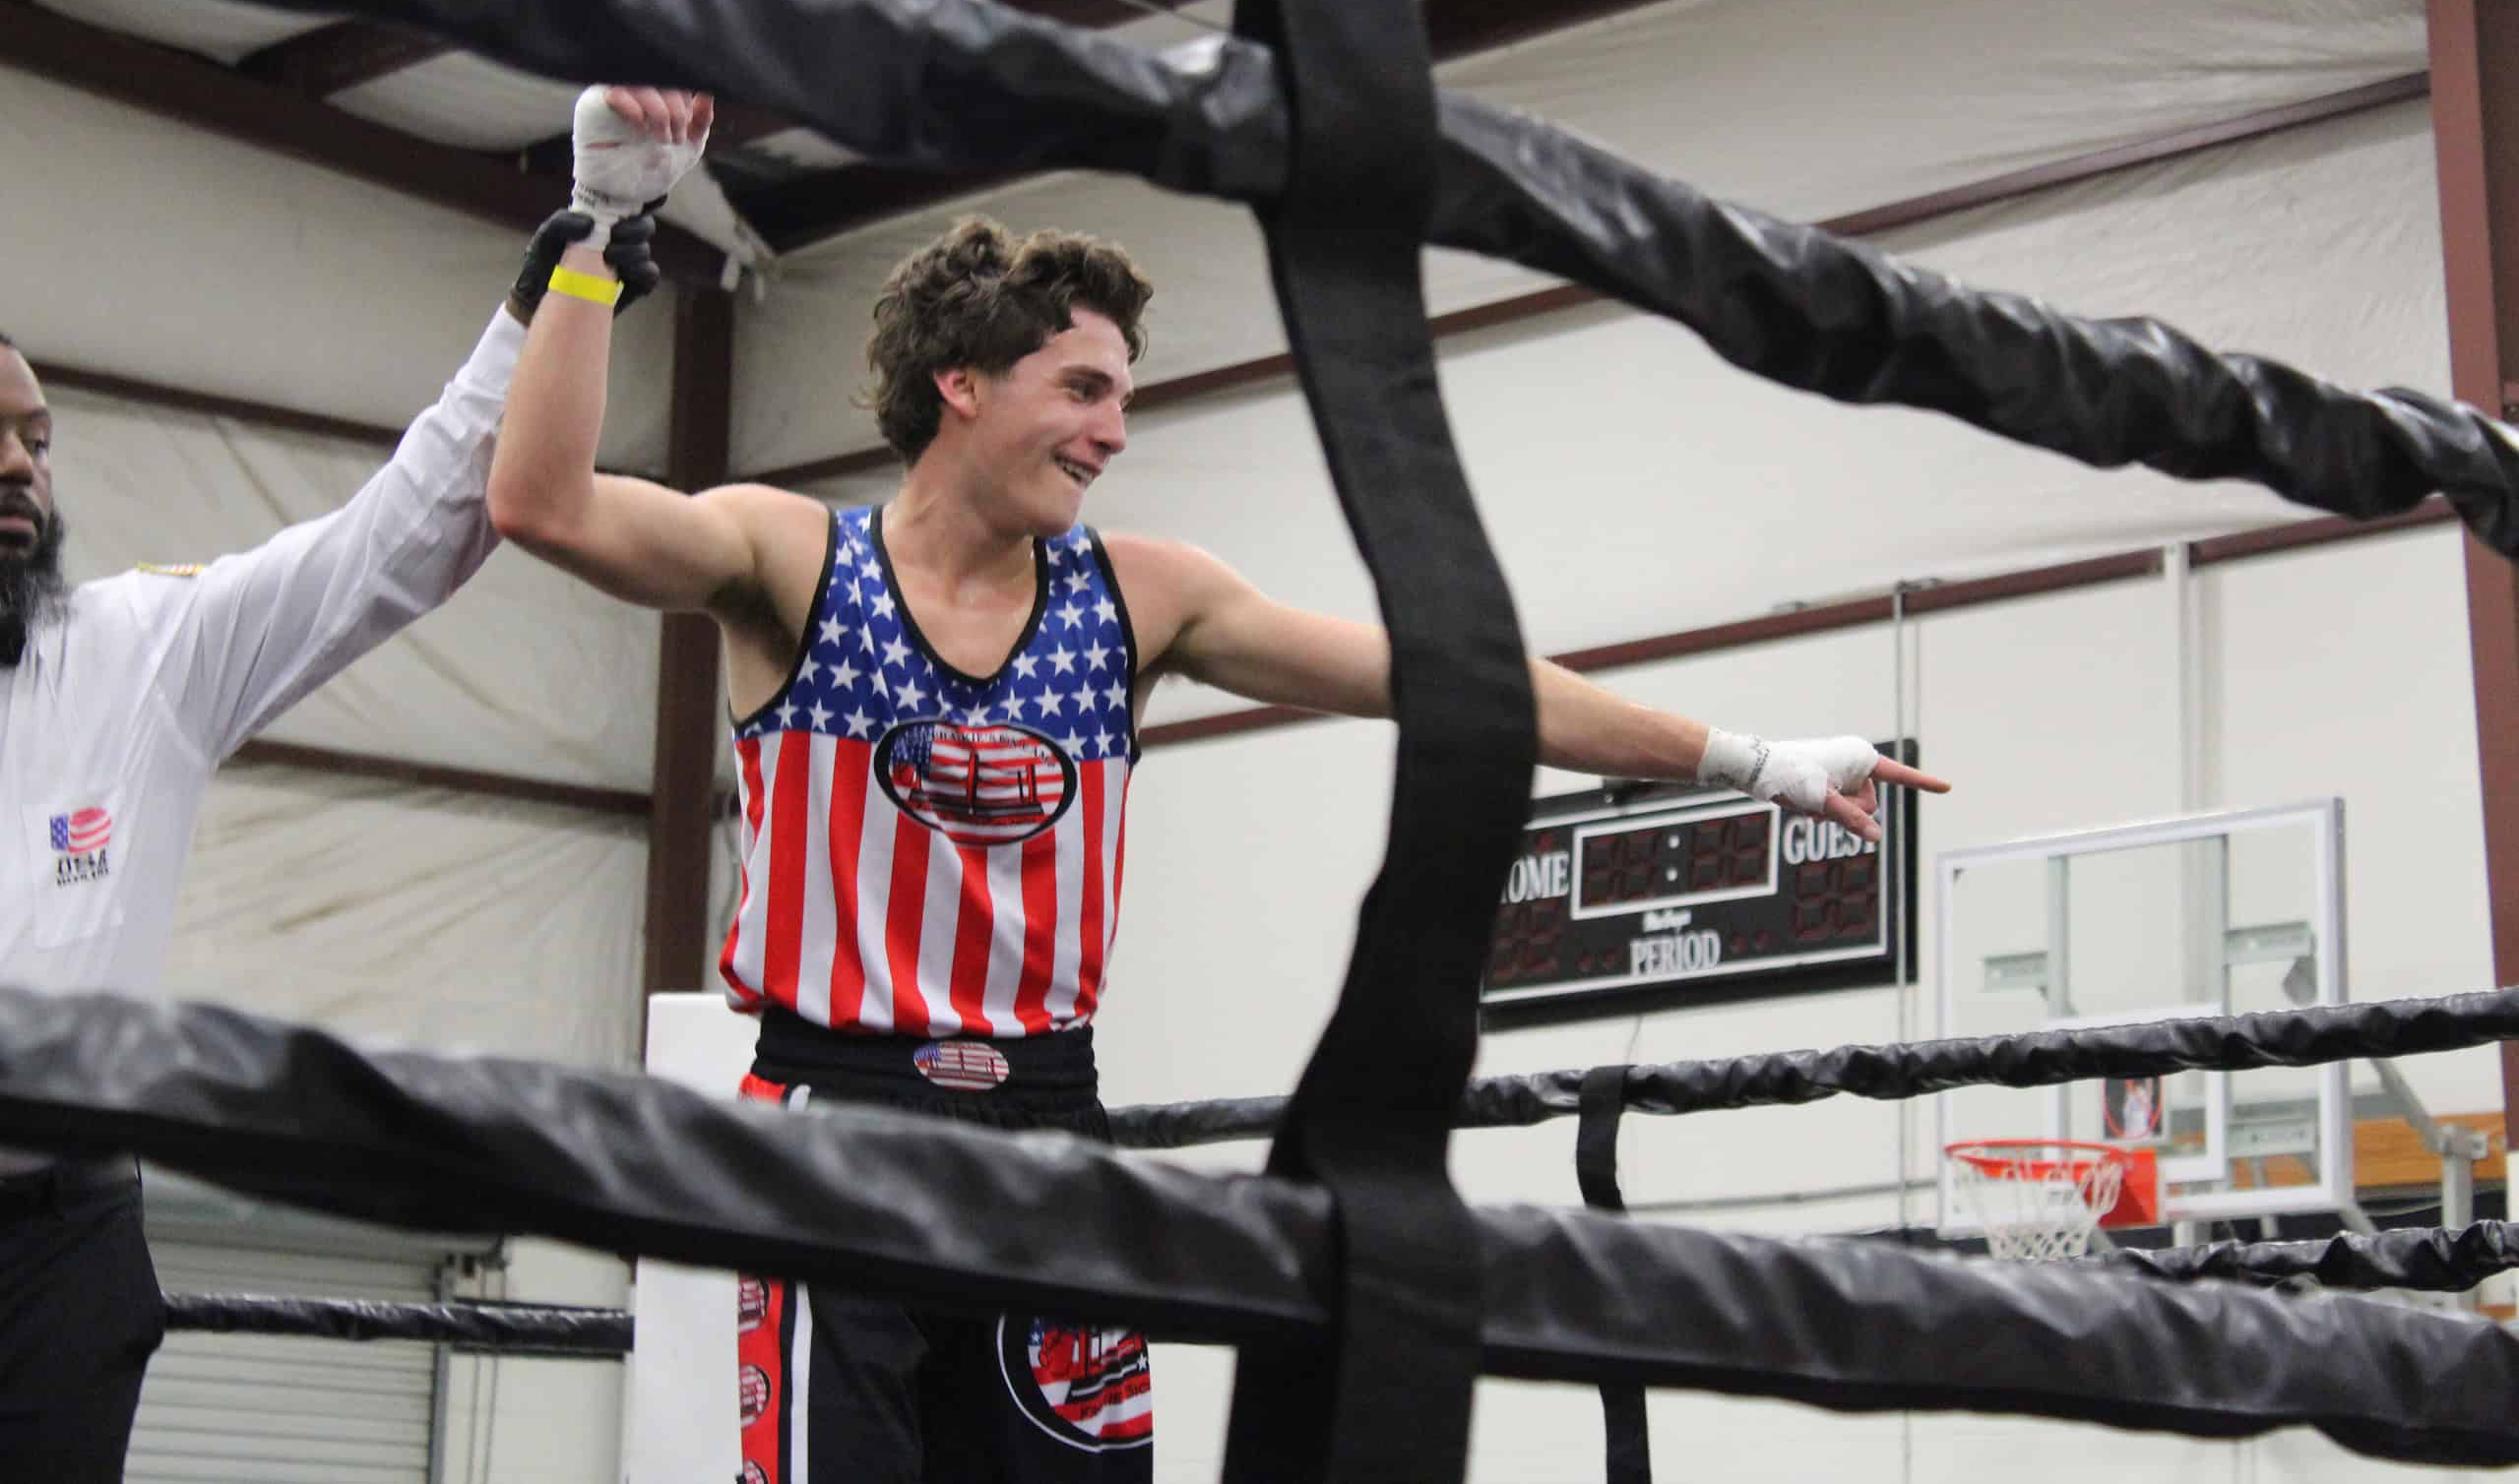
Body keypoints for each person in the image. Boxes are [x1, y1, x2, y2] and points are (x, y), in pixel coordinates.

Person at [486, 91, 1952, 1484]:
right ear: (962, 383)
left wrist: (1750, 760)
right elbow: (541, 504)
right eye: (1081, 388)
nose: (1114, 431)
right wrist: (603, 228)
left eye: (1122, 396)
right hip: (828, 1119)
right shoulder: (796, 559)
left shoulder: (1140, 597)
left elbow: (1450, 680)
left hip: (1053, 1130)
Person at [0, 89, 704, 1482]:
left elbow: (395, 543)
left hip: (56, 1248)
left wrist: (568, 270)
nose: (23, 465)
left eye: (36, 438)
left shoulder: (135, 654)